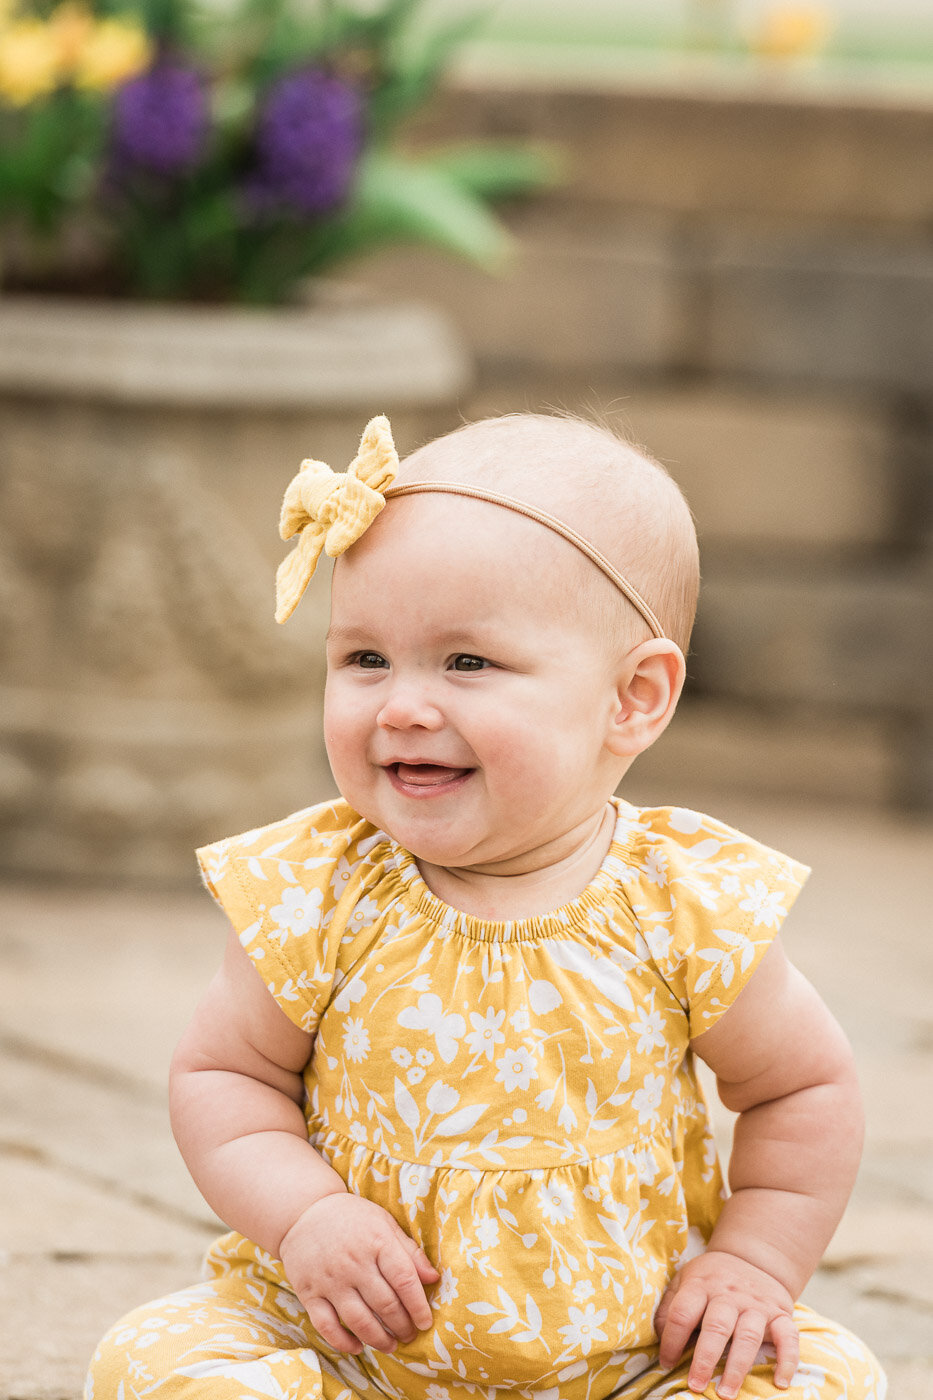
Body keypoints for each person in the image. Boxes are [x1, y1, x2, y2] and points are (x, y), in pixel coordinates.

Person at [86, 413, 885, 1400]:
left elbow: (801, 1088)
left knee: (825, 1377)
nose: (403, 705)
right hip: (349, 1339)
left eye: (466, 663)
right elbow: (224, 1073)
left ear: (633, 696)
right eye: (364, 658)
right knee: (153, 1359)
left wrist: (755, 1262)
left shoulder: (683, 901)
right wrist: (306, 1217)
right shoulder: (322, 886)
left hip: (630, 1350)